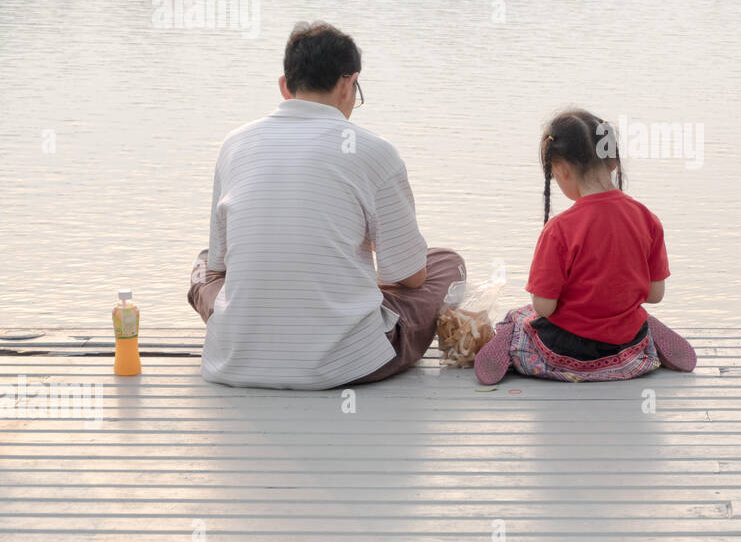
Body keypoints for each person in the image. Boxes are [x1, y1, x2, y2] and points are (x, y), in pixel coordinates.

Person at [187, 21, 463, 389]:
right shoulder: (375, 151)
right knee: (446, 263)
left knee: (205, 266)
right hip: (347, 362)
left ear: (285, 86)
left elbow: (221, 266)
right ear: (348, 83)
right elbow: (409, 278)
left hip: (235, 358)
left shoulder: (234, 144)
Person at [474, 109, 695, 385]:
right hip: (627, 350)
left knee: (518, 317)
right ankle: (648, 333)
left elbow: (544, 307)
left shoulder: (560, 229)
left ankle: (508, 337)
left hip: (566, 354)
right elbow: (655, 294)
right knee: (636, 315)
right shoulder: (647, 220)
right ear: (613, 162)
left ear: (562, 170)